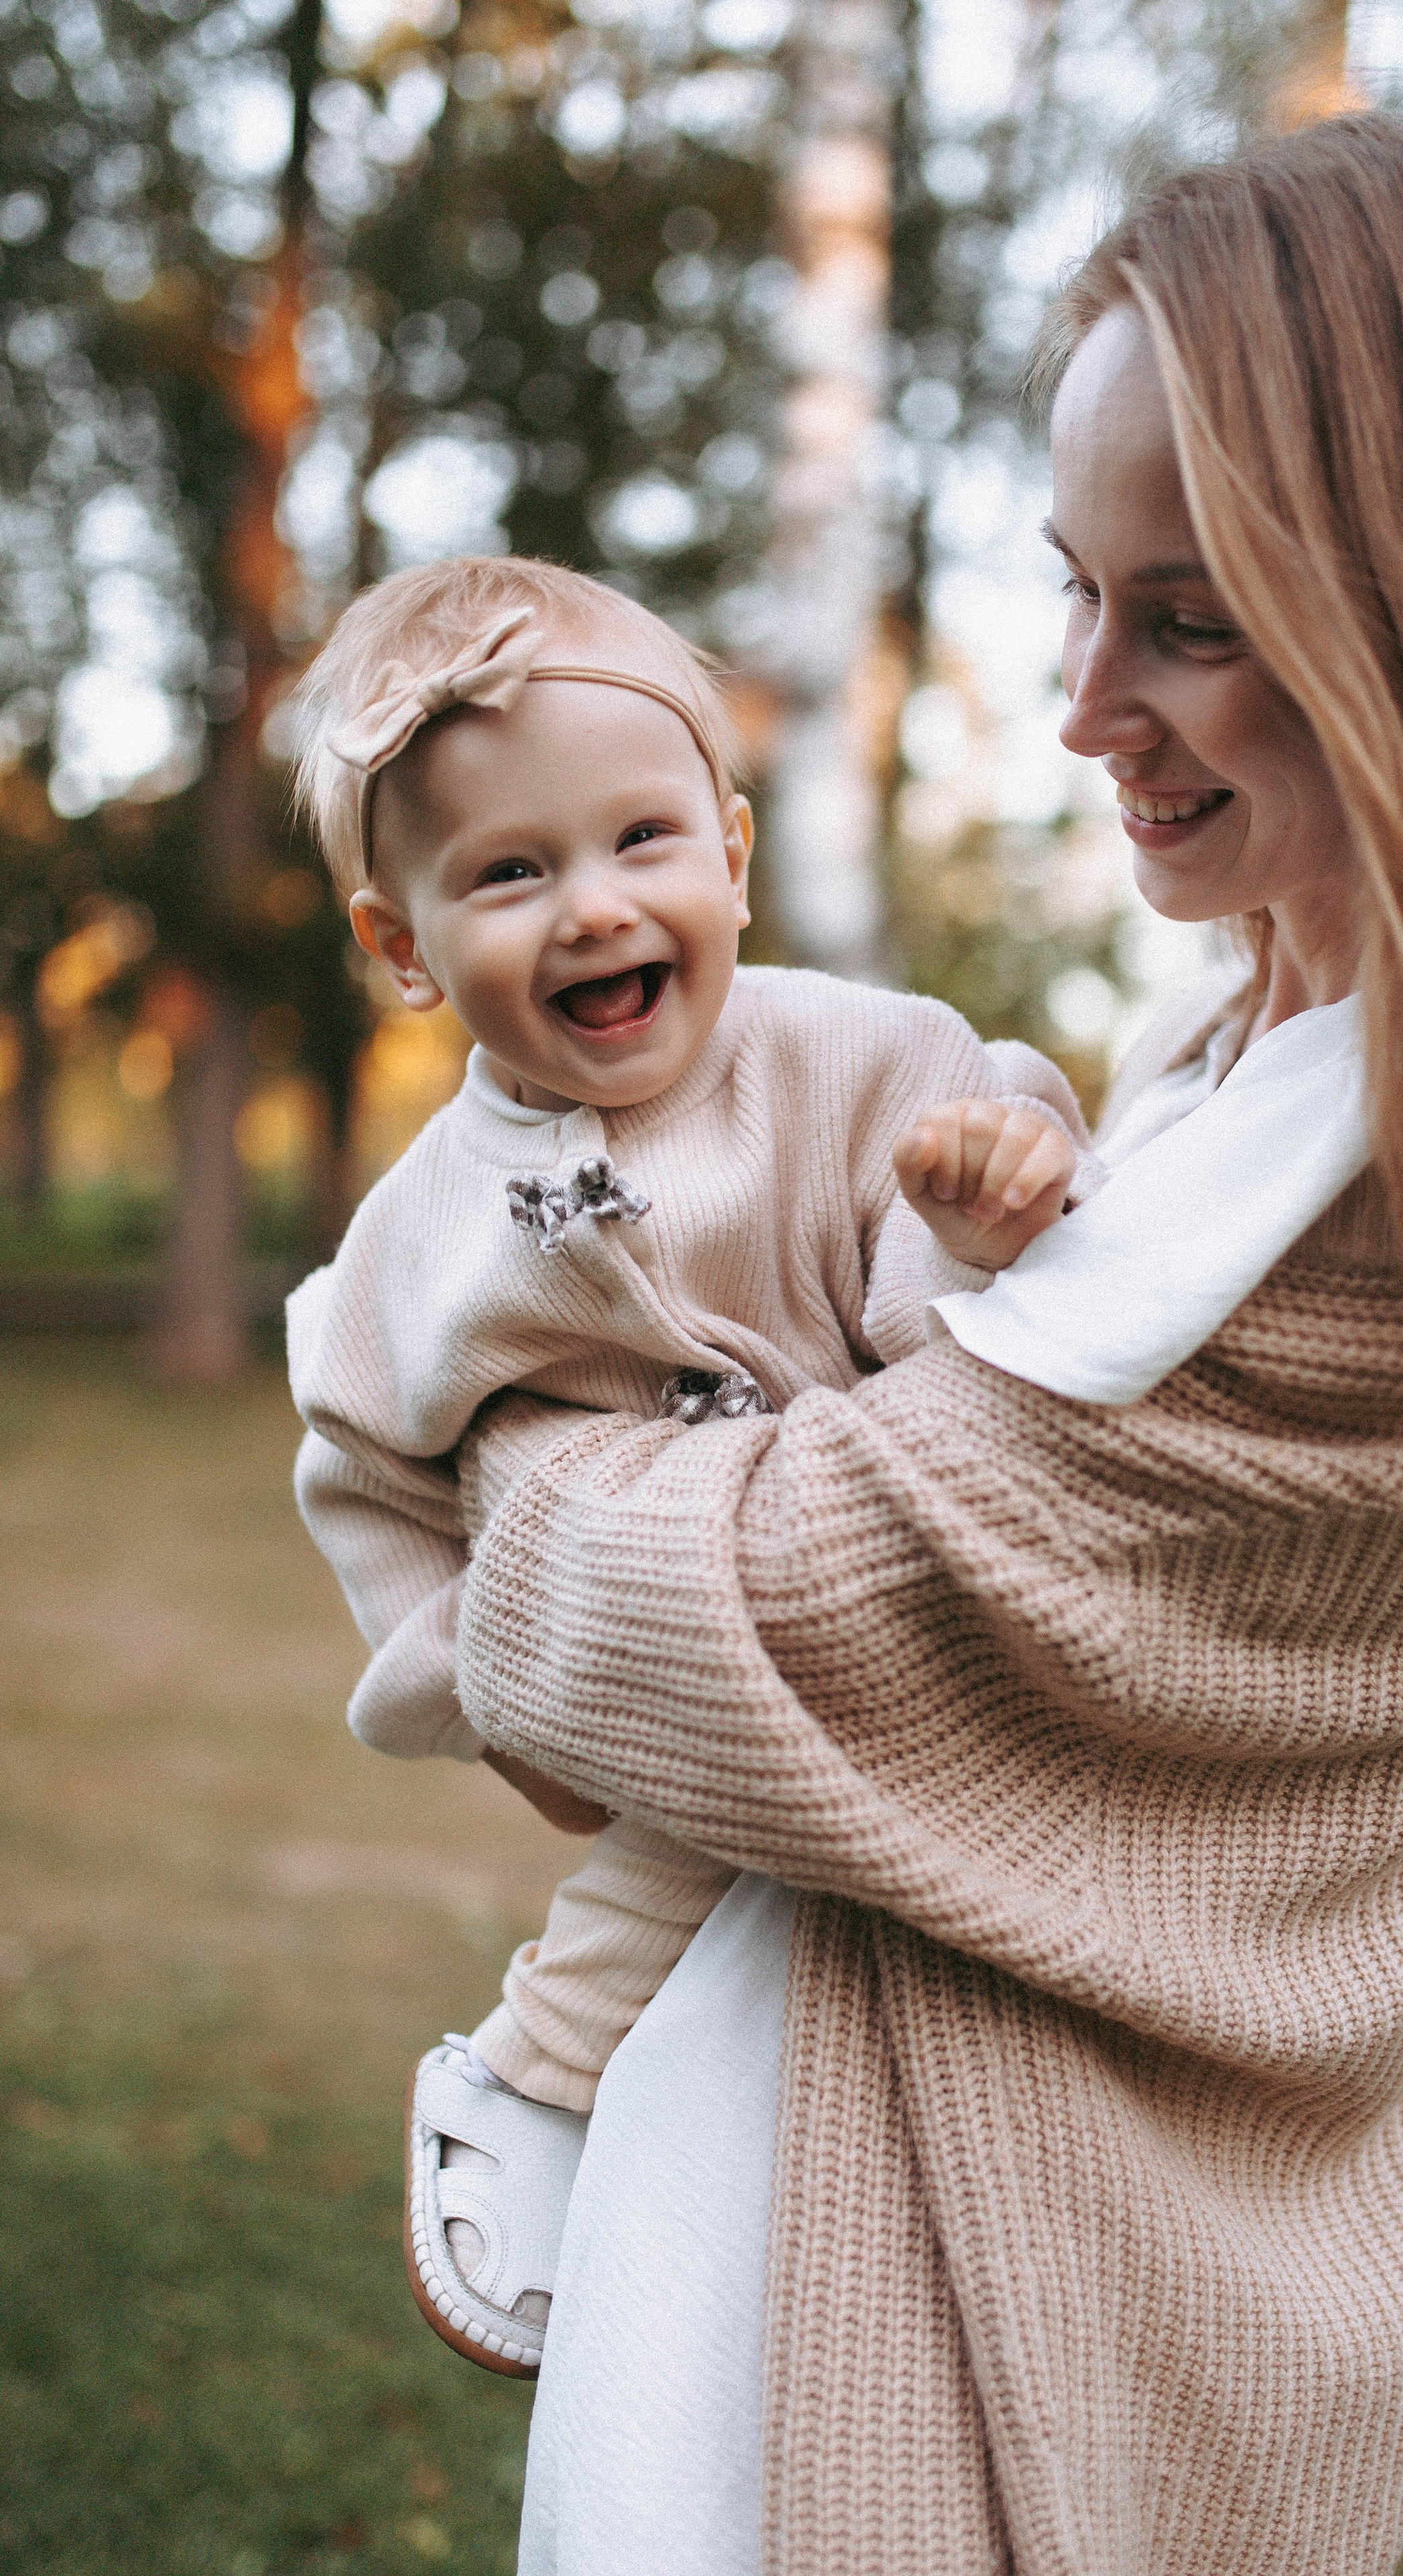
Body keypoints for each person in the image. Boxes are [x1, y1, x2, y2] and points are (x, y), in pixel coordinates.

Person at [446, 102, 1403, 2576]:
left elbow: (686, 1633)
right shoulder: (1252, 1068)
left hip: (936, 2370)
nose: (1080, 703)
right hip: (897, 2268)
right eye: (1074, 590)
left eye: (1193, 616)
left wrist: (505, 1439)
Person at [284, 553, 1101, 2373]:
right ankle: (539, 2077)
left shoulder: (853, 1054)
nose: (592, 908)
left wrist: (983, 1208)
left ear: (728, 853)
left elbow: (983, 1173)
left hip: (894, 1571)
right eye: (508, 871)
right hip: (658, 1664)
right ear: (402, 942)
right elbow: (360, 1465)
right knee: (662, 1878)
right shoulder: (415, 1244)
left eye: (641, 840)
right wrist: (493, 1690)